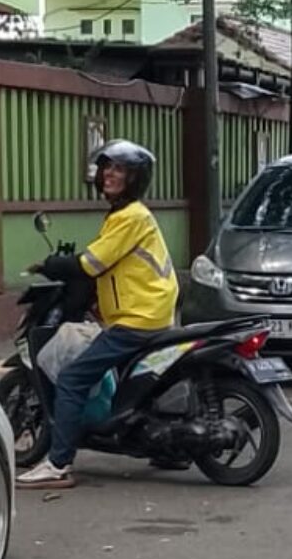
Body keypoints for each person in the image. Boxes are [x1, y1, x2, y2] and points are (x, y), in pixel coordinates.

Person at [17, 140, 179, 489]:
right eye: (106, 167)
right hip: (150, 312)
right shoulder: (128, 217)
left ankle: (58, 463)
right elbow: (110, 266)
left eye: (119, 169)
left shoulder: (130, 216)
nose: (109, 174)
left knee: (74, 378)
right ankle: (168, 448)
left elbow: (91, 263)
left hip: (137, 318)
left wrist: (52, 265)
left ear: (135, 177)